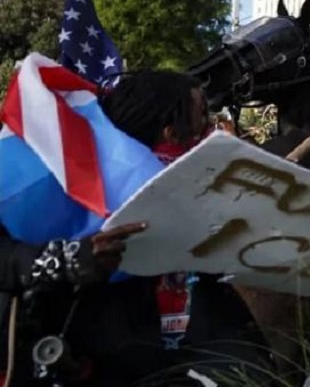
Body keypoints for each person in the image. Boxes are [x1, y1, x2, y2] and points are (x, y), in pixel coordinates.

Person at [0, 70, 269, 386]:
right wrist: (71, 258)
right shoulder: (41, 177)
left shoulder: (180, 192)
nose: (210, 128)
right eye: (201, 117)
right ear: (171, 134)